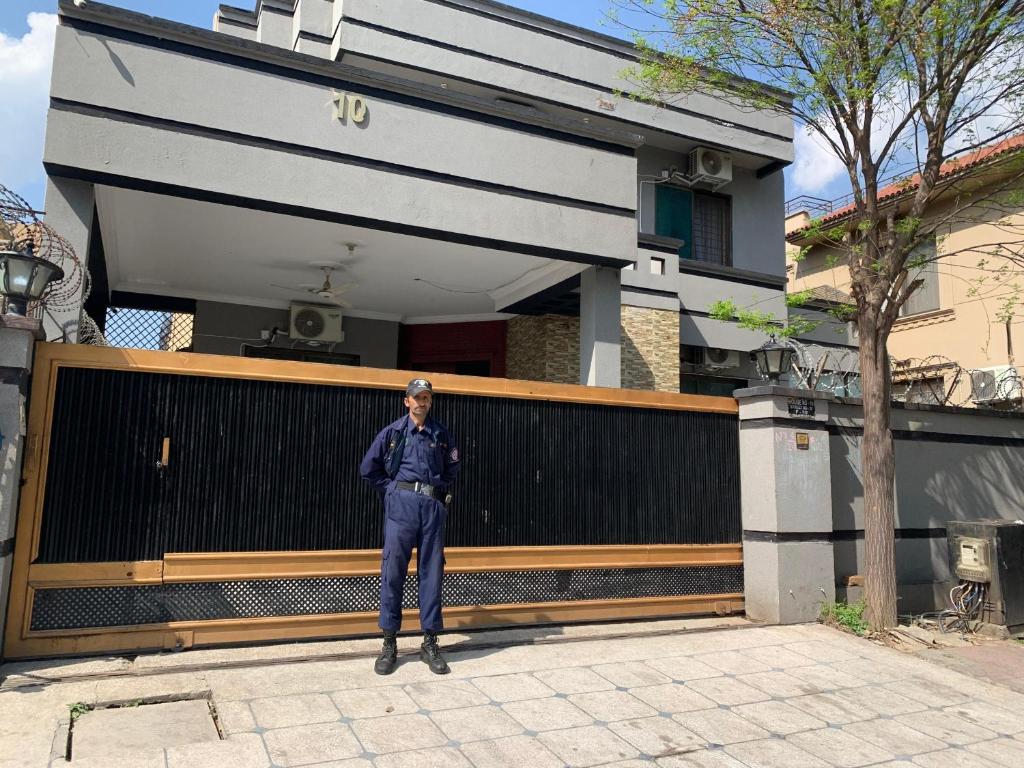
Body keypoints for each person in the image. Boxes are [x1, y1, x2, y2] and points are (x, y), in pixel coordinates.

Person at [359, 378, 461, 675]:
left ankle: (430, 642)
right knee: (393, 573)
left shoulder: (440, 433)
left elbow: (453, 467)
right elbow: (369, 469)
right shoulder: (393, 432)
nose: (421, 402)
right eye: (416, 397)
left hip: (431, 510)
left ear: (430, 401)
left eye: (426, 397)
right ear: (407, 401)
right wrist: (392, 491)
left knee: (432, 573)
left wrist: (438, 494)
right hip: (400, 509)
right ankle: (389, 642)